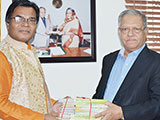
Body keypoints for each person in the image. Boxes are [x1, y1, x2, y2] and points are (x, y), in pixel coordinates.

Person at [93, 9, 160, 120]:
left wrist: (122, 112)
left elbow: (157, 104)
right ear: (119, 32)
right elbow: (99, 96)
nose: (130, 34)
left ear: (146, 31)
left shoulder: (156, 62)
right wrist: (76, 107)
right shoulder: (108, 60)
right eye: (125, 29)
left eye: (136, 29)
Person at [0, 0, 62, 120]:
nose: (26, 24)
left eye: (31, 20)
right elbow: (1, 104)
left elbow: (32, 93)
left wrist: (54, 104)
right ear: (8, 23)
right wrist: (41, 117)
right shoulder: (3, 55)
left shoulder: (30, 50)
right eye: (19, 19)